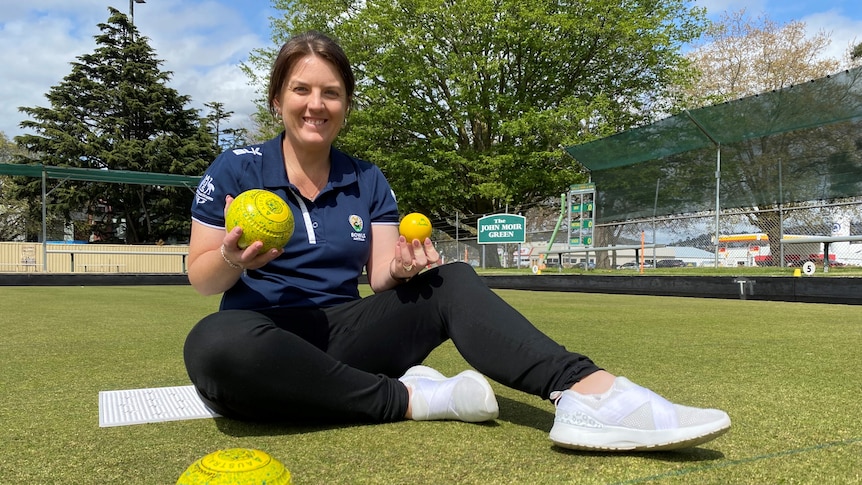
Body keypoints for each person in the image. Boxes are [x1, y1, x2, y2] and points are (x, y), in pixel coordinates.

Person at [184, 30, 731, 451]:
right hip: (263, 333)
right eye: (301, 90)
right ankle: (419, 398)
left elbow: (378, 279)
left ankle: (591, 395)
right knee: (215, 346)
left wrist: (402, 272)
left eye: (331, 93)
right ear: (278, 97)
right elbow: (202, 279)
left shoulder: (366, 177)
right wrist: (231, 257)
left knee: (452, 280)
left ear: (346, 104)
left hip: (345, 332)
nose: (316, 105)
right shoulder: (236, 169)